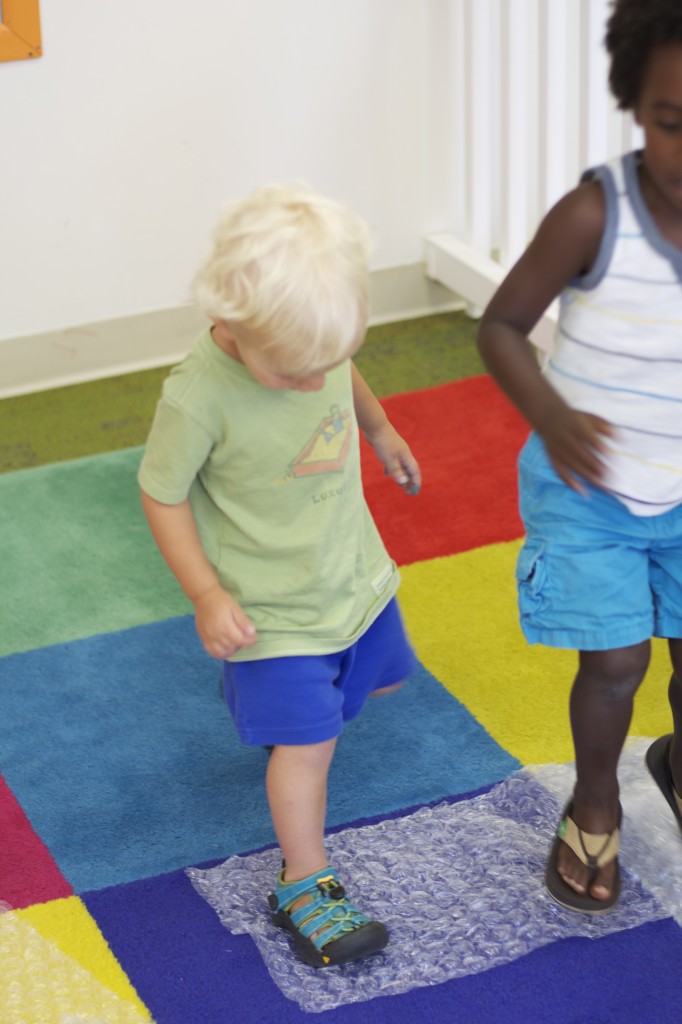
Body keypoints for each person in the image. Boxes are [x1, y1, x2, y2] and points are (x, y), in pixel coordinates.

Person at [138, 183, 421, 965]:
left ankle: (268, 706)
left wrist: (379, 426)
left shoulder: (311, 342)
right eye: (294, 372)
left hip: (351, 575)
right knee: (308, 744)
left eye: (324, 363)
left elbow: (340, 368)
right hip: (271, 608)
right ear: (227, 321)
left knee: (382, 684)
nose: (311, 383)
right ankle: (303, 879)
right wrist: (206, 593)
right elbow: (161, 494)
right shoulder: (197, 398)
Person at [477, 0, 682, 914]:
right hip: (589, 487)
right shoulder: (594, 214)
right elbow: (502, 326)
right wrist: (552, 415)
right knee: (616, 663)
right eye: (673, 123)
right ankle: (595, 801)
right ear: (636, 104)